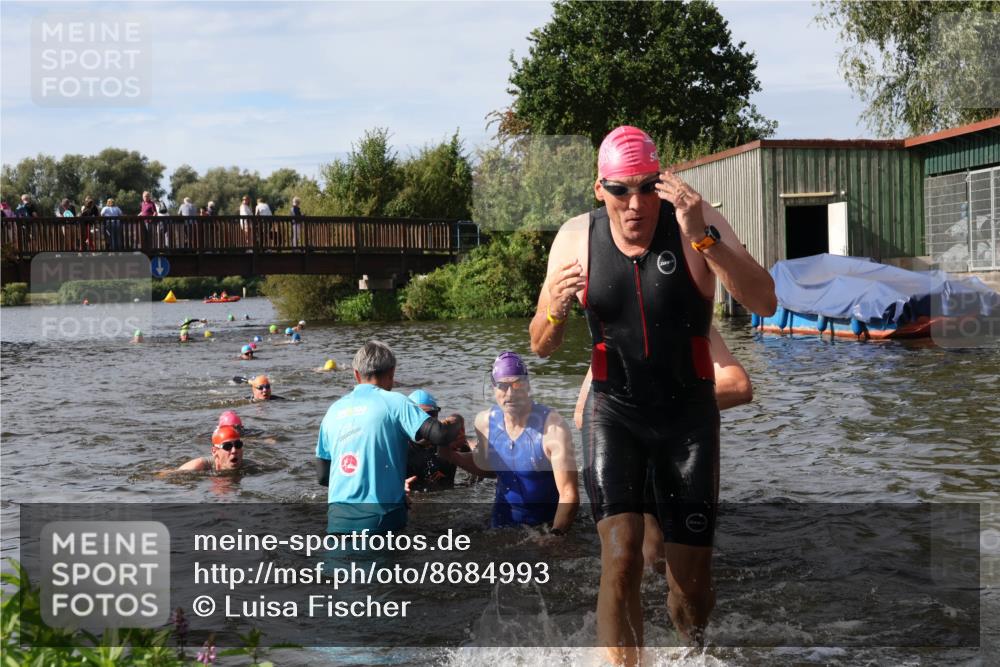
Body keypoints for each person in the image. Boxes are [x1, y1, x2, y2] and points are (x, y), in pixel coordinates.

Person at [528, 125, 776, 656]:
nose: (636, 204)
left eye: (647, 188)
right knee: (620, 555)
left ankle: (693, 649)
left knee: (691, 590)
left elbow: (765, 302)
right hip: (614, 414)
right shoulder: (574, 238)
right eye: (621, 190)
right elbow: (541, 346)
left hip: (688, 420)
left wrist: (703, 238)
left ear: (661, 182)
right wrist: (554, 309)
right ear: (600, 188)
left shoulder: (696, 222)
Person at [314, 340, 466, 534]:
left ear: (356, 374)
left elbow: (323, 476)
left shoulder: (333, 411)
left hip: (338, 521)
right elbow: (441, 434)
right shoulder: (396, 403)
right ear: (392, 372)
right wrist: (457, 420)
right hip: (382, 519)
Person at [439, 352, 578, 532]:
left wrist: (555, 536)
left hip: (545, 527)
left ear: (528, 386)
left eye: (517, 384)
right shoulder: (485, 422)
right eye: (503, 386)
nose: (510, 394)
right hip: (500, 525)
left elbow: (569, 494)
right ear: (493, 388)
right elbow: (488, 469)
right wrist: (451, 455)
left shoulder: (553, 428)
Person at [404, 389, 463, 492]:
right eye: (419, 416)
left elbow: (477, 460)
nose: (425, 422)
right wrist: (398, 486)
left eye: (430, 414)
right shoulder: (399, 448)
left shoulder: (449, 444)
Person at [174, 425, 245, 473]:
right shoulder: (198, 466)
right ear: (214, 451)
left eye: (238, 445)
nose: (234, 450)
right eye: (227, 446)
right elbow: (171, 475)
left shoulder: (248, 466)